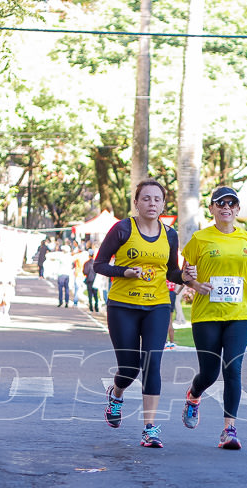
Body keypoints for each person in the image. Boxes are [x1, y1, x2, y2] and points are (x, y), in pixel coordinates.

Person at [92, 179, 189, 448]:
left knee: (152, 364)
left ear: (163, 204)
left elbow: (171, 271)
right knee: (129, 368)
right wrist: (123, 272)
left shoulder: (169, 234)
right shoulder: (122, 229)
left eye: (157, 199)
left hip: (157, 305)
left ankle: (150, 428)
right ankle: (117, 392)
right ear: (136, 202)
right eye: (146, 198)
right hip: (123, 306)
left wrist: (185, 276)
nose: (152, 203)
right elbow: (99, 264)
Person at [180, 186, 247, 450]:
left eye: (231, 204)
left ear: (238, 209)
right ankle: (194, 395)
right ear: (212, 209)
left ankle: (229, 429)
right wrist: (195, 285)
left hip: (239, 314)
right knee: (209, 373)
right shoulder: (199, 239)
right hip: (206, 314)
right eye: (221, 204)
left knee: (233, 368)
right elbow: (185, 274)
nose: (226, 208)